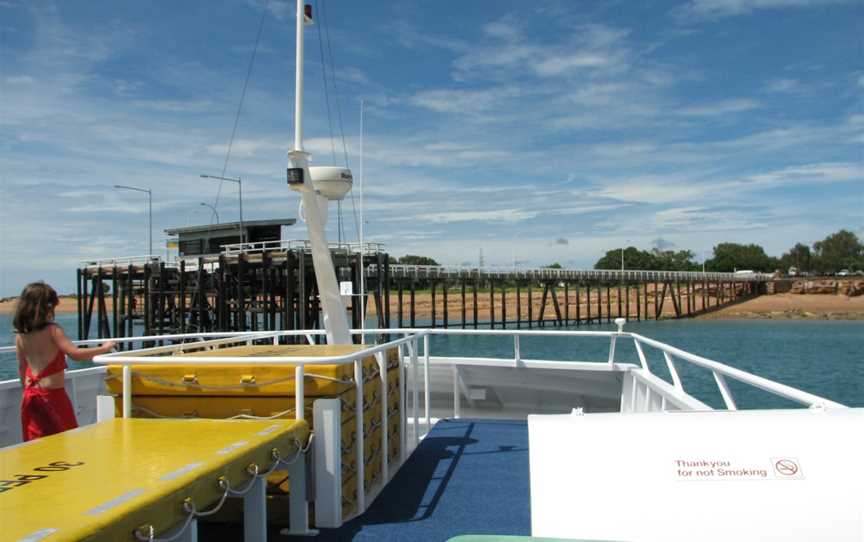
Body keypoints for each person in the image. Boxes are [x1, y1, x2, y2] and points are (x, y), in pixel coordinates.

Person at [13, 282, 115, 441]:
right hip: (52, 396)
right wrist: (104, 348)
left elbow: (22, 367)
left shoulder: (21, 335)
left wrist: (24, 392)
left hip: (30, 395)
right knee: (64, 439)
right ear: (46, 307)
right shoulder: (53, 330)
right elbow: (75, 354)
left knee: (35, 442)